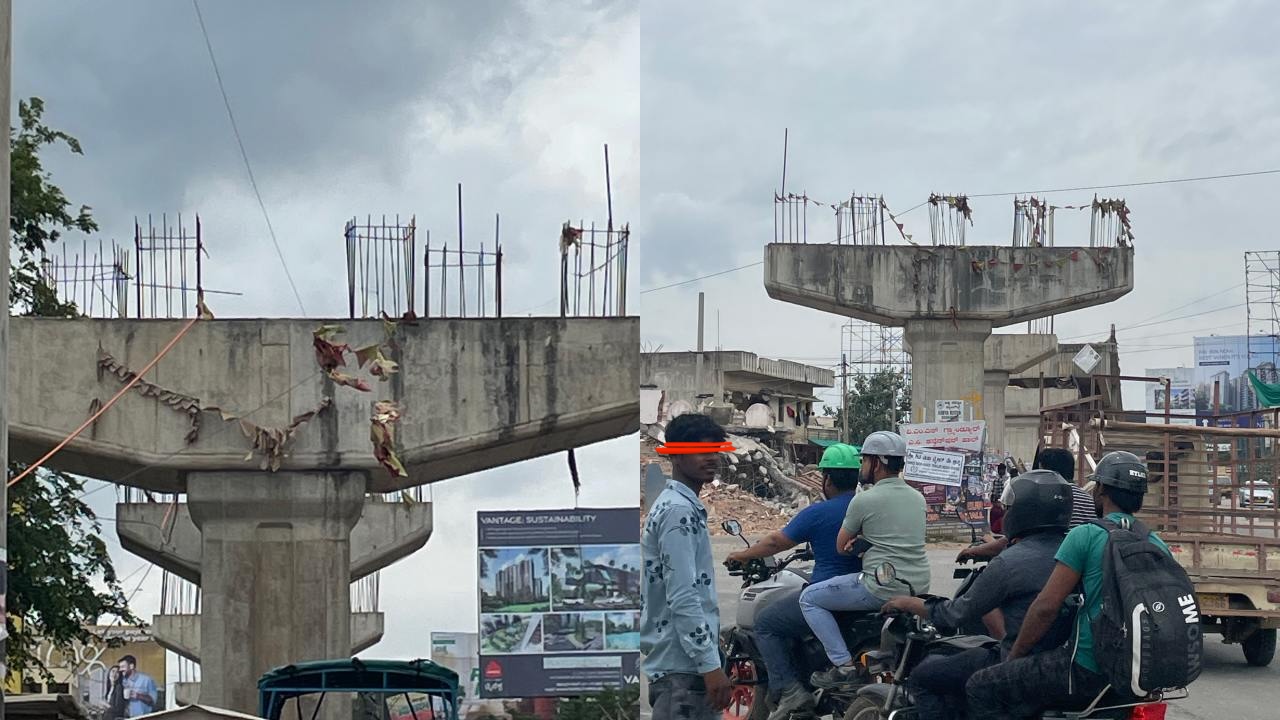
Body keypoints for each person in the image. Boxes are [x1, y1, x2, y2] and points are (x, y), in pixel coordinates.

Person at [966, 451, 1169, 719]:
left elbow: (1045, 608)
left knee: (981, 686)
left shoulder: (1085, 535)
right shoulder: (1155, 542)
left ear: (1101, 490)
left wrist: (1014, 657)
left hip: (1085, 669)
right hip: (1134, 668)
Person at [881, 470, 1077, 720]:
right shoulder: (1078, 551)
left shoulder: (1009, 563)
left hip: (1018, 663)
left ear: (1021, 512)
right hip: (1063, 665)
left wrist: (908, 602)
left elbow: (955, 614)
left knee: (923, 676)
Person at [723, 442, 865, 720]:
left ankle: (790, 691)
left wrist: (741, 555)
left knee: (767, 622)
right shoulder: (866, 508)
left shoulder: (818, 513)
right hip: (865, 592)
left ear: (826, 479)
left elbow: (776, 541)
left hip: (829, 595)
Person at [799, 430, 930, 688]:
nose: (863, 466)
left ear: (877, 463)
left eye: (865, 461)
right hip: (919, 585)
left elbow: (841, 547)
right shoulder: (918, 498)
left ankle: (843, 665)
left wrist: (856, 544)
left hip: (880, 586)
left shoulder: (865, 500)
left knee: (809, 598)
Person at [640, 413, 733, 719]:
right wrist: (709, 665)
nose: (710, 458)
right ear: (676, 455)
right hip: (682, 669)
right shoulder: (677, 512)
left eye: (714, 450)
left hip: (683, 664)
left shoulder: (681, 505)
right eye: (700, 451)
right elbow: (682, 594)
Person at [957, 447, 1096, 563]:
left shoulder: (1044, 498)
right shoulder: (1088, 499)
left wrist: (973, 550)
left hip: (1046, 565)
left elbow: (1016, 541)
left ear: (1047, 473)